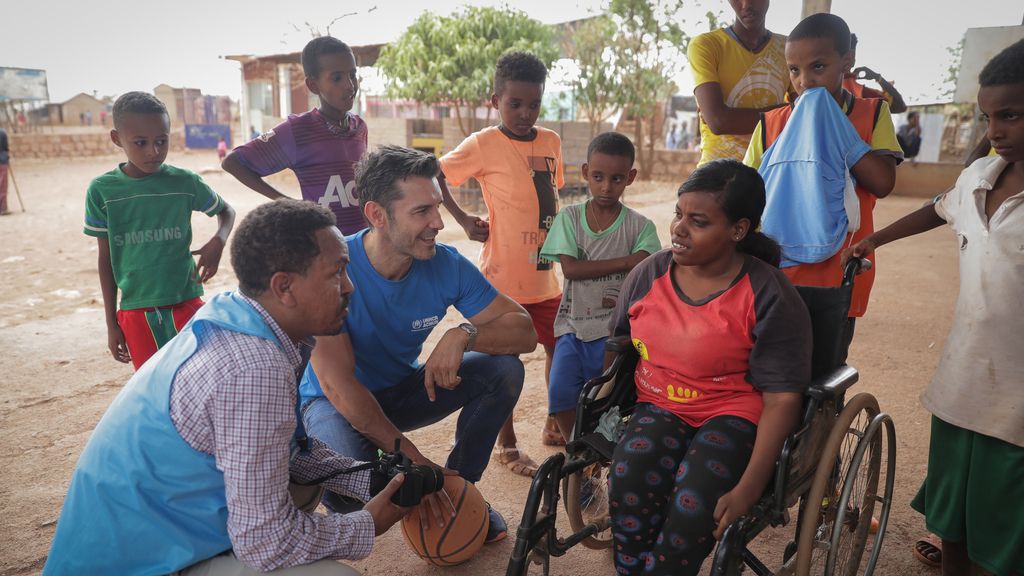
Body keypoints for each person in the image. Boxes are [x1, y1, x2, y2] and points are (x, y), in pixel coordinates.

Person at [44, 200, 411, 576]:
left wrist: (370, 478)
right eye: (337, 273)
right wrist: (367, 524)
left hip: (156, 528)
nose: (350, 286)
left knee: (301, 487)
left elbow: (286, 450)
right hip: (136, 563)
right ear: (284, 286)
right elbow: (267, 541)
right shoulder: (252, 368)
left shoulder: (239, 315)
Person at [842, 38, 1024, 576]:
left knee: (1005, 513)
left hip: (1017, 400)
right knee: (955, 513)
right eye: (987, 116)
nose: (995, 131)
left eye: (1011, 115)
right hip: (962, 383)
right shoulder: (978, 178)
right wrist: (875, 240)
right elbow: (936, 210)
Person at [299, 145, 538, 543]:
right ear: (376, 214)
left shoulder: (445, 263)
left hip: (399, 392)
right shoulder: (334, 267)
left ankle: (462, 491)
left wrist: (464, 333)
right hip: (331, 402)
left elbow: (524, 332)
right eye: (421, 212)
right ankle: (410, 480)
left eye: (437, 207)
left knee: (504, 370)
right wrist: (418, 464)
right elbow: (338, 387)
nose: (438, 223)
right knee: (349, 498)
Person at [607, 160, 812, 575]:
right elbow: (619, 345)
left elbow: (783, 399)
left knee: (695, 501)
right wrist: (607, 412)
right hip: (658, 402)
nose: (679, 228)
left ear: (738, 229)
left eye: (697, 221)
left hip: (733, 411)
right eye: (678, 214)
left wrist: (750, 488)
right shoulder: (651, 273)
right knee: (628, 477)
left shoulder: (769, 293)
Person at [437, 51, 565, 476]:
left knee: (560, 350)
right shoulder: (483, 144)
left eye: (534, 104)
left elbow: (549, 201)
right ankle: (507, 446)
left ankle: (555, 421)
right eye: (515, 104)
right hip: (504, 283)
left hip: (547, 277)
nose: (526, 113)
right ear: (496, 101)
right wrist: (463, 220)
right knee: (505, 364)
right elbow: (434, 172)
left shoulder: (551, 141)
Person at [743, 12, 901, 320]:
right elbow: (747, 190)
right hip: (779, 268)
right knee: (773, 356)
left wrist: (835, 127)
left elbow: (882, 183)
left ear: (846, 61)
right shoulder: (773, 123)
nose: (805, 81)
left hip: (843, 264)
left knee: (829, 358)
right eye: (794, 70)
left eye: (818, 67)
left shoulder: (871, 114)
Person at [84, 91, 236, 370]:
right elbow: (105, 260)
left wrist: (219, 241)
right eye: (140, 143)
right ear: (117, 139)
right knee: (153, 384)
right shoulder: (102, 191)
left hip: (185, 300)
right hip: (135, 309)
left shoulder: (184, 181)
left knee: (199, 375)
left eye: (161, 141)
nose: (153, 152)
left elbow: (226, 211)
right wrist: (111, 323)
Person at [538, 132, 660, 442]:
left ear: (630, 177)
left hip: (614, 334)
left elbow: (648, 266)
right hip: (572, 327)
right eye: (598, 176)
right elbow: (572, 270)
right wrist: (627, 260)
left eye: (617, 178)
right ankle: (574, 448)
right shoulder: (570, 218)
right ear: (584, 173)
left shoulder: (640, 226)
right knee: (560, 396)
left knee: (606, 402)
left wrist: (636, 261)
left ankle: (594, 454)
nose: (606, 186)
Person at [223, 36, 368, 235]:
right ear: (313, 86)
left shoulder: (359, 127)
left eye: (352, 75)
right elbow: (232, 162)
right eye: (337, 78)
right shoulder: (298, 131)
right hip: (326, 244)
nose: (350, 85)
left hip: (363, 241)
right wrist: (288, 204)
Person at [688, 0, 790, 165]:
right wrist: (785, 113)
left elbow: (805, 114)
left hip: (769, 173)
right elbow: (718, 121)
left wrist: (731, 116)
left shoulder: (788, 48)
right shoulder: (706, 46)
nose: (746, 4)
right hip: (717, 176)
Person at [843, 33, 908, 114]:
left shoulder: (824, 87)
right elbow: (900, 106)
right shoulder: (863, 94)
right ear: (851, 58)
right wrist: (877, 77)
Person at [0, 127, 9, 215]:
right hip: (2, 161)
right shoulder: (3, 132)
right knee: (2, 185)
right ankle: (2, 208)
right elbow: (6, 148)